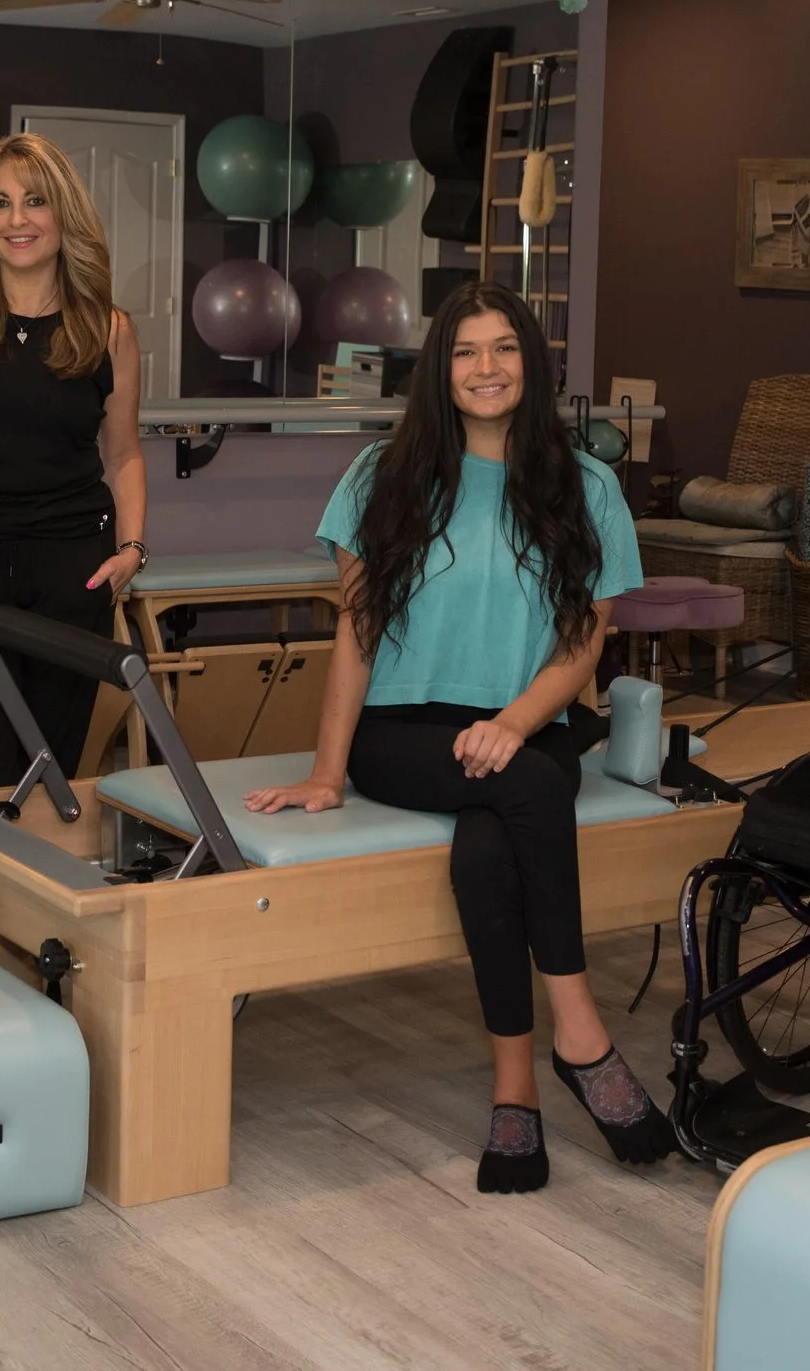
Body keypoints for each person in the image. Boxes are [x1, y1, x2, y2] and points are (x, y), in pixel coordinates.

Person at [245, 279, 670, 1194]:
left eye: (505, 348)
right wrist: (326, 773)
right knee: (525, 791)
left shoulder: (586, 485)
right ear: (440, 369)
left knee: (491, 843)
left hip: (529, 720)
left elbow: (583, 639)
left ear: (533, 364)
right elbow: (355, 634)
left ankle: (515, 1090)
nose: (487, 368)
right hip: (405, 731)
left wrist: (514, 721)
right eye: (467, 351)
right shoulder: (378, 478)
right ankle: (582, 1036)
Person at [0, 133, 147, 793]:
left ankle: (35, 895)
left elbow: (122, 453)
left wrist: (132, 545)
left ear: (63, 214)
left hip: (74, 569)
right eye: (1, 203)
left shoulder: (108, 329)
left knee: (50, 778)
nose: (18, 220)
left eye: (34, 202)